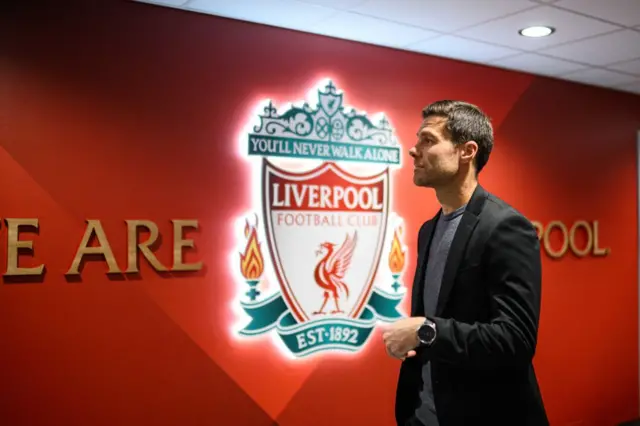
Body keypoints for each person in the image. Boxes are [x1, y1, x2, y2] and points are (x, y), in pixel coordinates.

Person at [382, 100, 549, 426]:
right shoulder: (428, 230)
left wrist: (425, 331)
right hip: (426, 416)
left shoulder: (505, 227)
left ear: (466, 151)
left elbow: (515, 341)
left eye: (428, 140)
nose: (414, 151)